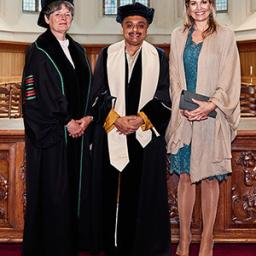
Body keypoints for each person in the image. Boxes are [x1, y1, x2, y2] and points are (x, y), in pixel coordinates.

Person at [80, 2, 171, 256]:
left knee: (143, 192)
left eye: (140, 26)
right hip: (113, 132)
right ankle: (109, 244)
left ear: (147, 28)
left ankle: (143, 245)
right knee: (108, 190)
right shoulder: (108, 54)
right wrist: (114, 118)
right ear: (122, 27)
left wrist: (142, 119)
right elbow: (96, 94)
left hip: (144, 135)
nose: (135, 30)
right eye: (130, 25)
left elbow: (165, 95)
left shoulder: (159, 56)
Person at [165, 0, 241, 256]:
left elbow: (229, 76)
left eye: (204, 2)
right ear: (186, 7)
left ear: (211, 5)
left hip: (211, 116)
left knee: (209, 178)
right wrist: (183, 106)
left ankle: (208, 239)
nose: (198, 7)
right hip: (185, 116)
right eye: (193, 3)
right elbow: (174, 76)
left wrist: (210, 105)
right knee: (185, 177)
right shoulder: (178, 35)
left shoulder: (225, 35)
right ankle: (185, 240)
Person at [21, 1, 93, 255]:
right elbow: (33, 95)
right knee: (54, 193)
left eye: (68, 14)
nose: (64, 18)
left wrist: (87, 118)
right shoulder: (38, 50)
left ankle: (72, 244)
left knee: (74, 191)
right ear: (46, 17)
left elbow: (89, 89)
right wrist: (65, 121)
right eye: (58, 14)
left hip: (78, 135)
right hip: (52, 137)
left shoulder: (78, 50)